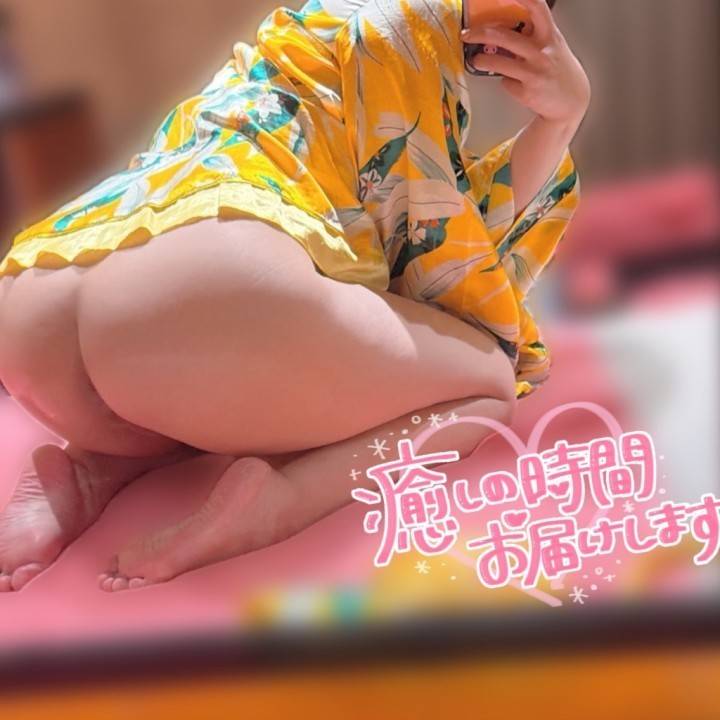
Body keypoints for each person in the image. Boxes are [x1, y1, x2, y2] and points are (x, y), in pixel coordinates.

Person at [0, 0, 589, 593]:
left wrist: (557, 121)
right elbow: (435, 268)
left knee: (241, 364)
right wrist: (563, 118)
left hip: (36, 299)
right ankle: (279, 500)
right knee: (484, 380)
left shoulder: (305, 27)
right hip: (194, 299)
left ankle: (94, 464)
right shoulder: (410, 21)